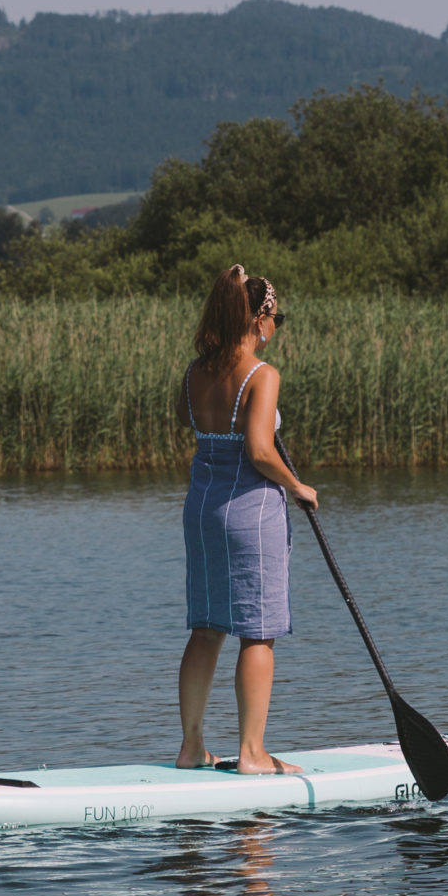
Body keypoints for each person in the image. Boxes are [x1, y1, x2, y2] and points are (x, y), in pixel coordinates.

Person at [176, 264, 318, 776]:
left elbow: (198, 425)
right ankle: (252, 754)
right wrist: (297, 486)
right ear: (259, 319)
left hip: (201, 510)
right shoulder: (263, 375)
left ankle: (191, 748)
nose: (277, 326)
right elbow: (259, 451)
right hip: (251, 514)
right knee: (258, 633)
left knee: (207, 627)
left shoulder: (194, 373)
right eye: (276, 316)